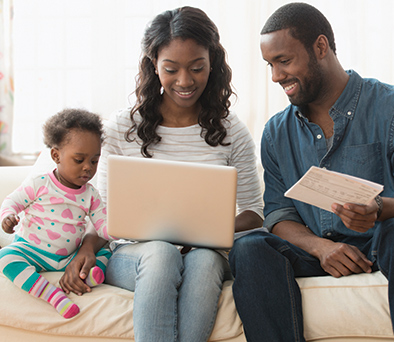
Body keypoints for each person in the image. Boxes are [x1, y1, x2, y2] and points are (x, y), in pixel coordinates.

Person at [229, 3, 394, 342]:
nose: (275, 76)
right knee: (250, 247)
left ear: (320, 47)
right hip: (316, 252)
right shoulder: (276, 133)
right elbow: (279, 215)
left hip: (385, 245)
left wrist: (380, 209)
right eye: (270, 65)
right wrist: (319, 247)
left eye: (284, 61)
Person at [59, 6, 264, 342]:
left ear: (213, 62)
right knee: (161, 252)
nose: (185, 81)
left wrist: (202, 230)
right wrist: (87, 246)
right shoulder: (121, 127)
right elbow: (103, 209)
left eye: (197, 68)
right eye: (171, 69)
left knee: (204, 262)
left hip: (205, 253)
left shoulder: (232, 131)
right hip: (134, 255)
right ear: (153, 65)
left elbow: (255, 214)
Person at [0, 108, 112, 319]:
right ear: (56, 155)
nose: (88, 168)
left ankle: (89, 277)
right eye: (79, 160)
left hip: (68, 258)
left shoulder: (91, 194)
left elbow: (103, 226)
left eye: (94, 161)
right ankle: (53, 296)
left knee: (107, 251)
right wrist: (8, 217)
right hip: (31, 251)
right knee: (5, 257)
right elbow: (11, 201)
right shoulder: (40, 184)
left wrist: (120, 229)